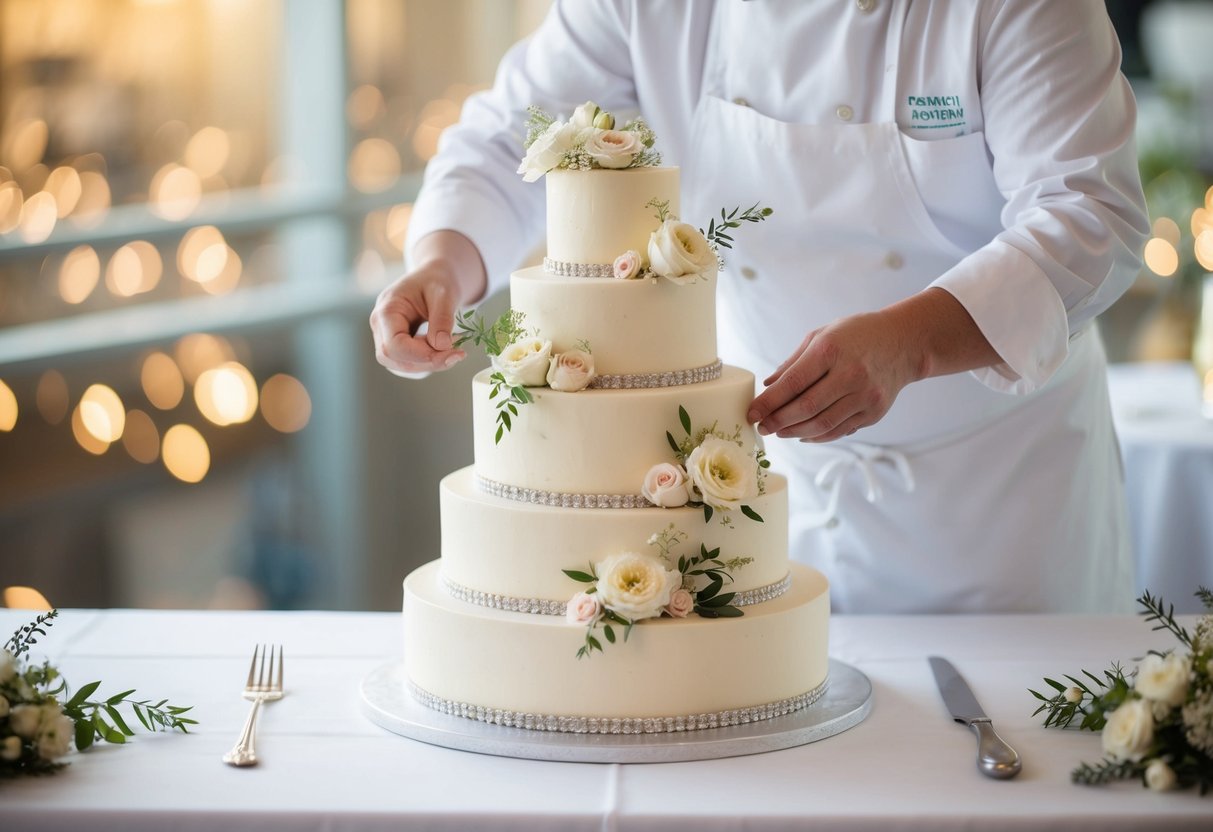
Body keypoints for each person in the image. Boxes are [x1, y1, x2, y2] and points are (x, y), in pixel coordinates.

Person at [369, 0, 1149, 614]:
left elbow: (1089, 214)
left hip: (997, 504)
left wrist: (909, 342)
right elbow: (512, 138)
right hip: (765, 499)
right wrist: (442, 264)